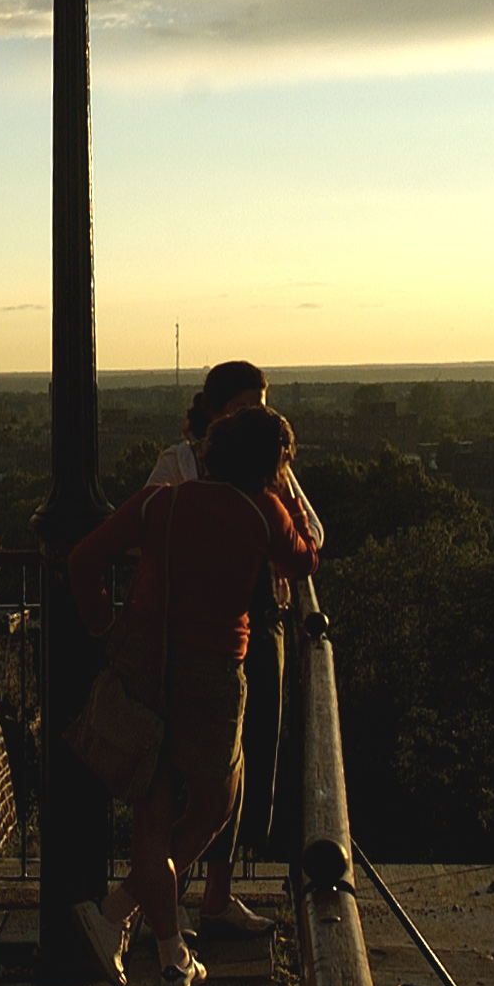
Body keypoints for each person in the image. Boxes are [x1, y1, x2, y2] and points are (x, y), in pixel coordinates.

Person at [67, 402, 317, 986]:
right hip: (214, 672)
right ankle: (133, 927)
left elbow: (84, 558)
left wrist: (106, 628)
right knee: (214, 804)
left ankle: (134, 929)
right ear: (271, 464)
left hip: (145, 663)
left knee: (151, 810)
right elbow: (306, 556)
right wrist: (287, 489)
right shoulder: (265, 513)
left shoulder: (164, 502)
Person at [146, 361, 324, 938]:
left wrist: (279, 489)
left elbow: (312, 539)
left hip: (257, 627)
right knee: (189, 776)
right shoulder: (178, 465)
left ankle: (212, 897)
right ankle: (157, 898)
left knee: (246, 769)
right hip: (195, 635)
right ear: (218, 407)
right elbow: (152, 525)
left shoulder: (268, 471)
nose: (260, 416)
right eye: (249, 406)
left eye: (263, 406)